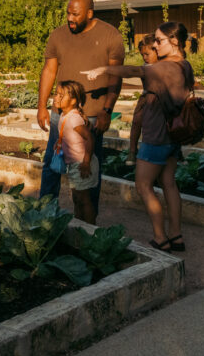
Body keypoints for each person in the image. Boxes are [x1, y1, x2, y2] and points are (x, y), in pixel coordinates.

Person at [83, 21, 195, 253]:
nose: (155, 46)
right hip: (174, 135)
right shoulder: (185, 65)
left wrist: (103, 69)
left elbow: (135, 71)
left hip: (156, 136)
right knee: (169, 183)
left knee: (143, 185)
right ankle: (176, 236)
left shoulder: (164, 68)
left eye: (159, 41)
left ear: (174, 41)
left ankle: (160, 237)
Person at [38, 0, 124, 220]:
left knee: (89, 169)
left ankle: (88, 223)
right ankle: (44, 215)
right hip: (60, 116)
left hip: (93, 116)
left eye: (75, 14)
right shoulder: (58, 35)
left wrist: (107, 110)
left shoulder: (110, 35)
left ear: (89, 13)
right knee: (51, 165)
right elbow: (49, 70)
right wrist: (41, 106)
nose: (70, 18)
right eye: (68, 13)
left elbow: (116, 76)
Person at [52, 80, 99, 223]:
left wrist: (86, 162)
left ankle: (90, 229)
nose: (56, 97)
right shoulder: (63, 115)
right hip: (74, 164)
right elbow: (68, 134)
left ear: (73, 101)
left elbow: (90, 139)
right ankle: (79, 225)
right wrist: (59, 142)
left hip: (82, 164)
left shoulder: (74, 118)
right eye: (56, 94)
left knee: (83, 199)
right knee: (77, 198)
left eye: (61, 95)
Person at [124, 34, 160, 167]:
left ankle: (176, 150)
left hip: (161, 99)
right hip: (146, 97)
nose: (144, 57)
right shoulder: (146, 66)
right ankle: (132, 150)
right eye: (142, 55)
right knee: (137, 120)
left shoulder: (165, 65)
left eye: (147, 54)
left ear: (157, 51)